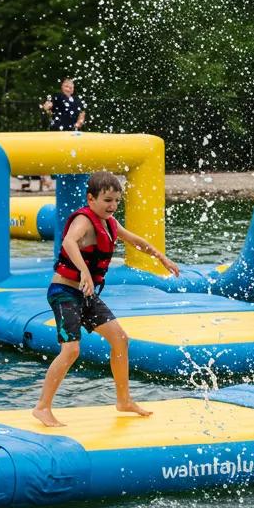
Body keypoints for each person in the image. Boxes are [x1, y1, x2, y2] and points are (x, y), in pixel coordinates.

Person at [33, 170, 180, 427]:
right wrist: (84, 271)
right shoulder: (85, 221)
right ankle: (42, 407)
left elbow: (136, 241)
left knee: (120, 339)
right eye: (107, 200)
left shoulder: (109, 223)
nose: (112, 206)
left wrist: (160, 256)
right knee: (71, 350)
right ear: (91, 199)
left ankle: (123, 400)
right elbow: (68, 242)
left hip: (85, 294)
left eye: (116, 201)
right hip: (64, 292)